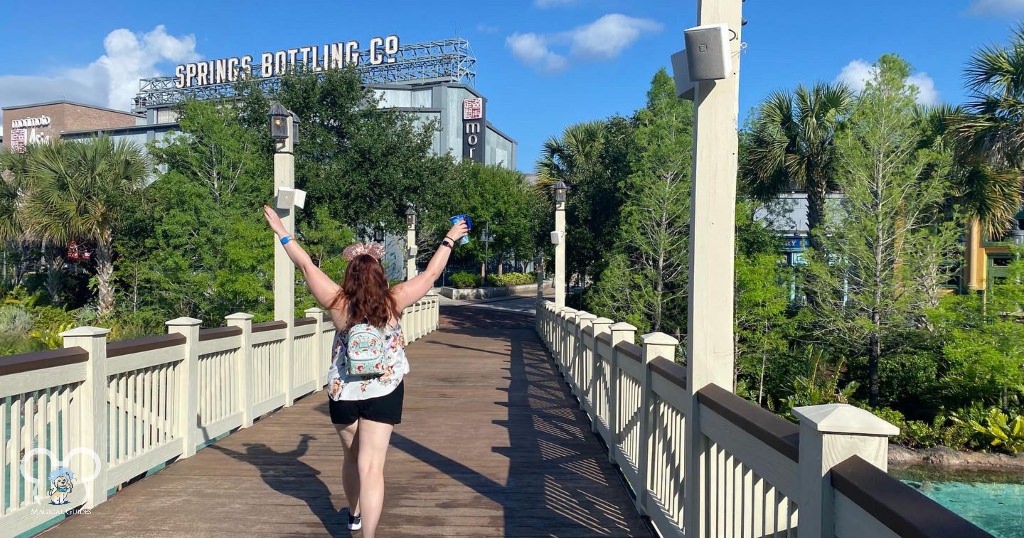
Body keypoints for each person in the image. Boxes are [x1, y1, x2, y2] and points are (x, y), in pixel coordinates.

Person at [262, 205, 468, 537]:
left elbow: (303, 264)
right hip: (384, 391)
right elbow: (431, 275)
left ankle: (353, 513)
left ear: (349, 275)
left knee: (351, 457)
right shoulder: (394, 299)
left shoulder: (337, 302)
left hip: (343, 392)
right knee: (371, 467)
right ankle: (367, 535)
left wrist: (281, 230)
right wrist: (449, 238)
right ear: (380, 275)